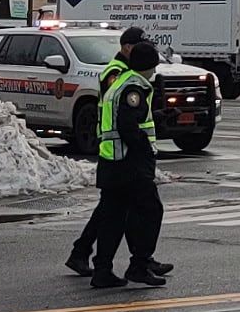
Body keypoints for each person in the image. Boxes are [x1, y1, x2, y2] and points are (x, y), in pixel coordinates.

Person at [66, 28, 171, 276]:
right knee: (120, 212)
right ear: (127, 47)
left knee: (116, 211)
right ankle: (128, 260)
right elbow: (124, 119)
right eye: (139, 45)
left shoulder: (129, 74)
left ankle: (119, 259)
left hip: (118, 153)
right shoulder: (117, 73)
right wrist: (142, 147)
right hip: (119, 153)